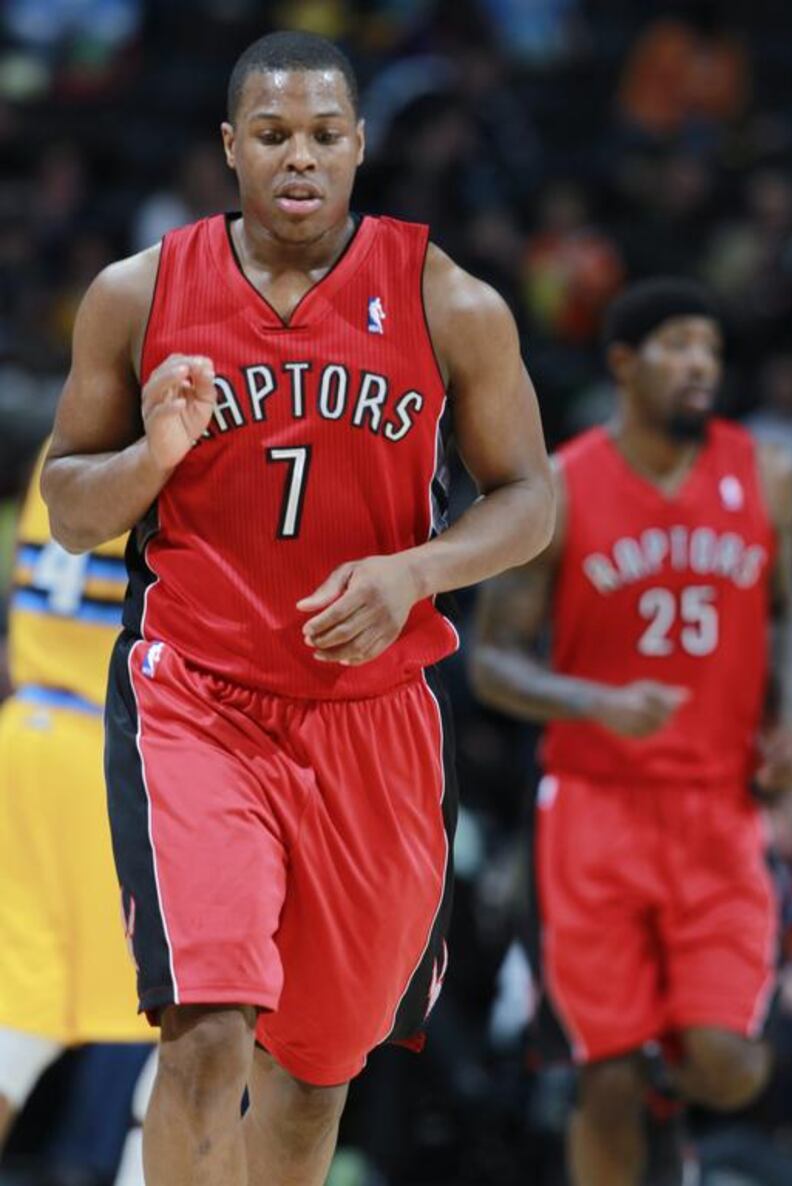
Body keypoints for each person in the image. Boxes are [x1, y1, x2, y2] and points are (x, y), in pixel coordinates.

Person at [40, 29, 554, 1186]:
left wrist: (412, 573)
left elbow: (531, 499)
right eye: (272, 136)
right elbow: (69, 504)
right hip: (198, 703)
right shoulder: (138, 293)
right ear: (229, 148)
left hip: (371, 720)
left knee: (319, 1067)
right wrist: (151, 458)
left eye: (325, 135)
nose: (300, 159)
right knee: (208, 1022)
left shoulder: (445, 298)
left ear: (361, 145)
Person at [471, 277, 792, 1186]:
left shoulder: (770, 475)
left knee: (728, 1065)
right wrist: (594, 702)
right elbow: (491, 659)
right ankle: (637, 1091)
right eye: (678, 345)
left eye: (711, 350)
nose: (702, 365)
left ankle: (673, 1089)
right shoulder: (564, 487)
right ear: (623, 363)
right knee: (601, 1076)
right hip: (591, 807)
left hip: (718, 808)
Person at [0, 444, 155, 1177]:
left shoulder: (62, 443)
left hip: (24, 731)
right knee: (193, 1022)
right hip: (110, 750)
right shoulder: (170, 449)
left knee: (13, 1022)